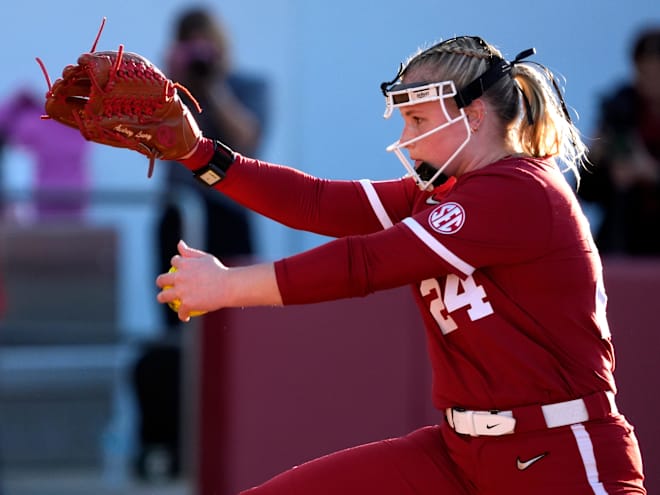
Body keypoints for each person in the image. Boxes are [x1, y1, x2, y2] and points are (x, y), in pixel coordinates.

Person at [53, 32, 646, 493]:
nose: (406, 139)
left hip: (563, 457)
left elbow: (364, 264)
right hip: (460, 454)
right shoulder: (440, 193)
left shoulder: (518, 191)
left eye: (417, 120)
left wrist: (228, 286)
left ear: (471, 116)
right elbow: (315, 201)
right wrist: (200, 153)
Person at [578, 27, 660, 254]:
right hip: (622, 238)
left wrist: (650, 173)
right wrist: (594, 159)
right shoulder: (620, 110)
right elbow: (586, 192)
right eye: (645, 70)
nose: (652, 79)